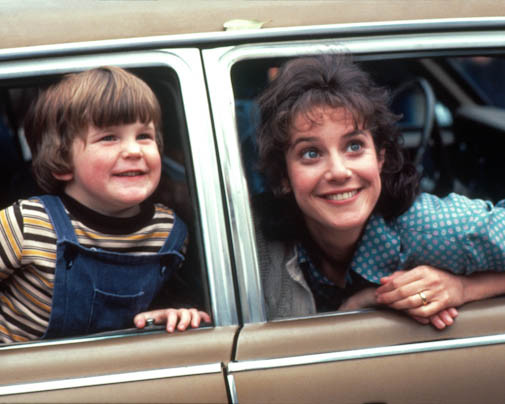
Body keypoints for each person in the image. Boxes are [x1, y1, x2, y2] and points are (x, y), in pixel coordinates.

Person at [254, 54, 505, 330]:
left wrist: (465, 287)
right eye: (311, 153)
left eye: (354, 146)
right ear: (283, 177)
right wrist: (365, 302)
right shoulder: (254, 247)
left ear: (380, 157)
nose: (339, 172)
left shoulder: (428, 227)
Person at [0, 66, 210, 344]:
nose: (134, 150)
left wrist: (174, 313)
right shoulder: (25, 224)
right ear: (61, 160)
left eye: (144, 136)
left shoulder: (169, 233)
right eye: (109, 138)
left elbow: (165, 303)